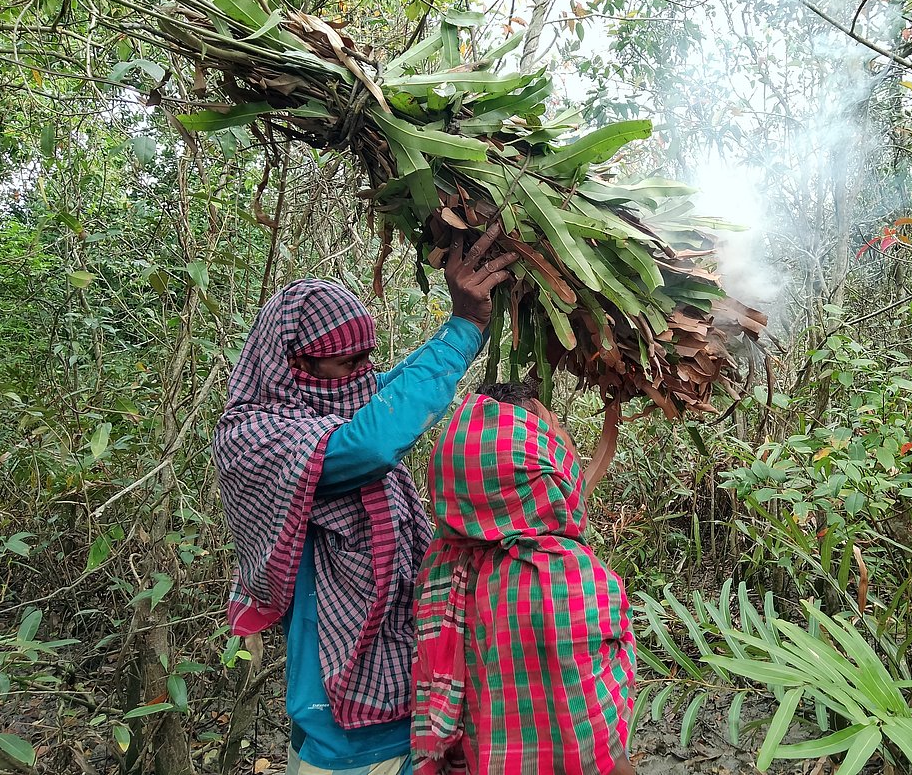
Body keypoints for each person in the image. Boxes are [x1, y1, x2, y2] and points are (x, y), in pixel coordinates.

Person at [213, 226, 517, 775]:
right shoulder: (251, 436)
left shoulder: (337, 397)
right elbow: (371, 441)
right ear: (294, 364)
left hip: (409, 690)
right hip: (336, 718)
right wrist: (465, 327)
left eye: (365, 360)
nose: (361, 374)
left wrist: (465, 328)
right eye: (346, 364)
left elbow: (394, 387)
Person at [411, 381, 637, 775]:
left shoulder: (441, 564)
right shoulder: (566, 577)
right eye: (555, 430)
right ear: (534, 463)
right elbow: (599, 741)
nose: (564, 441)